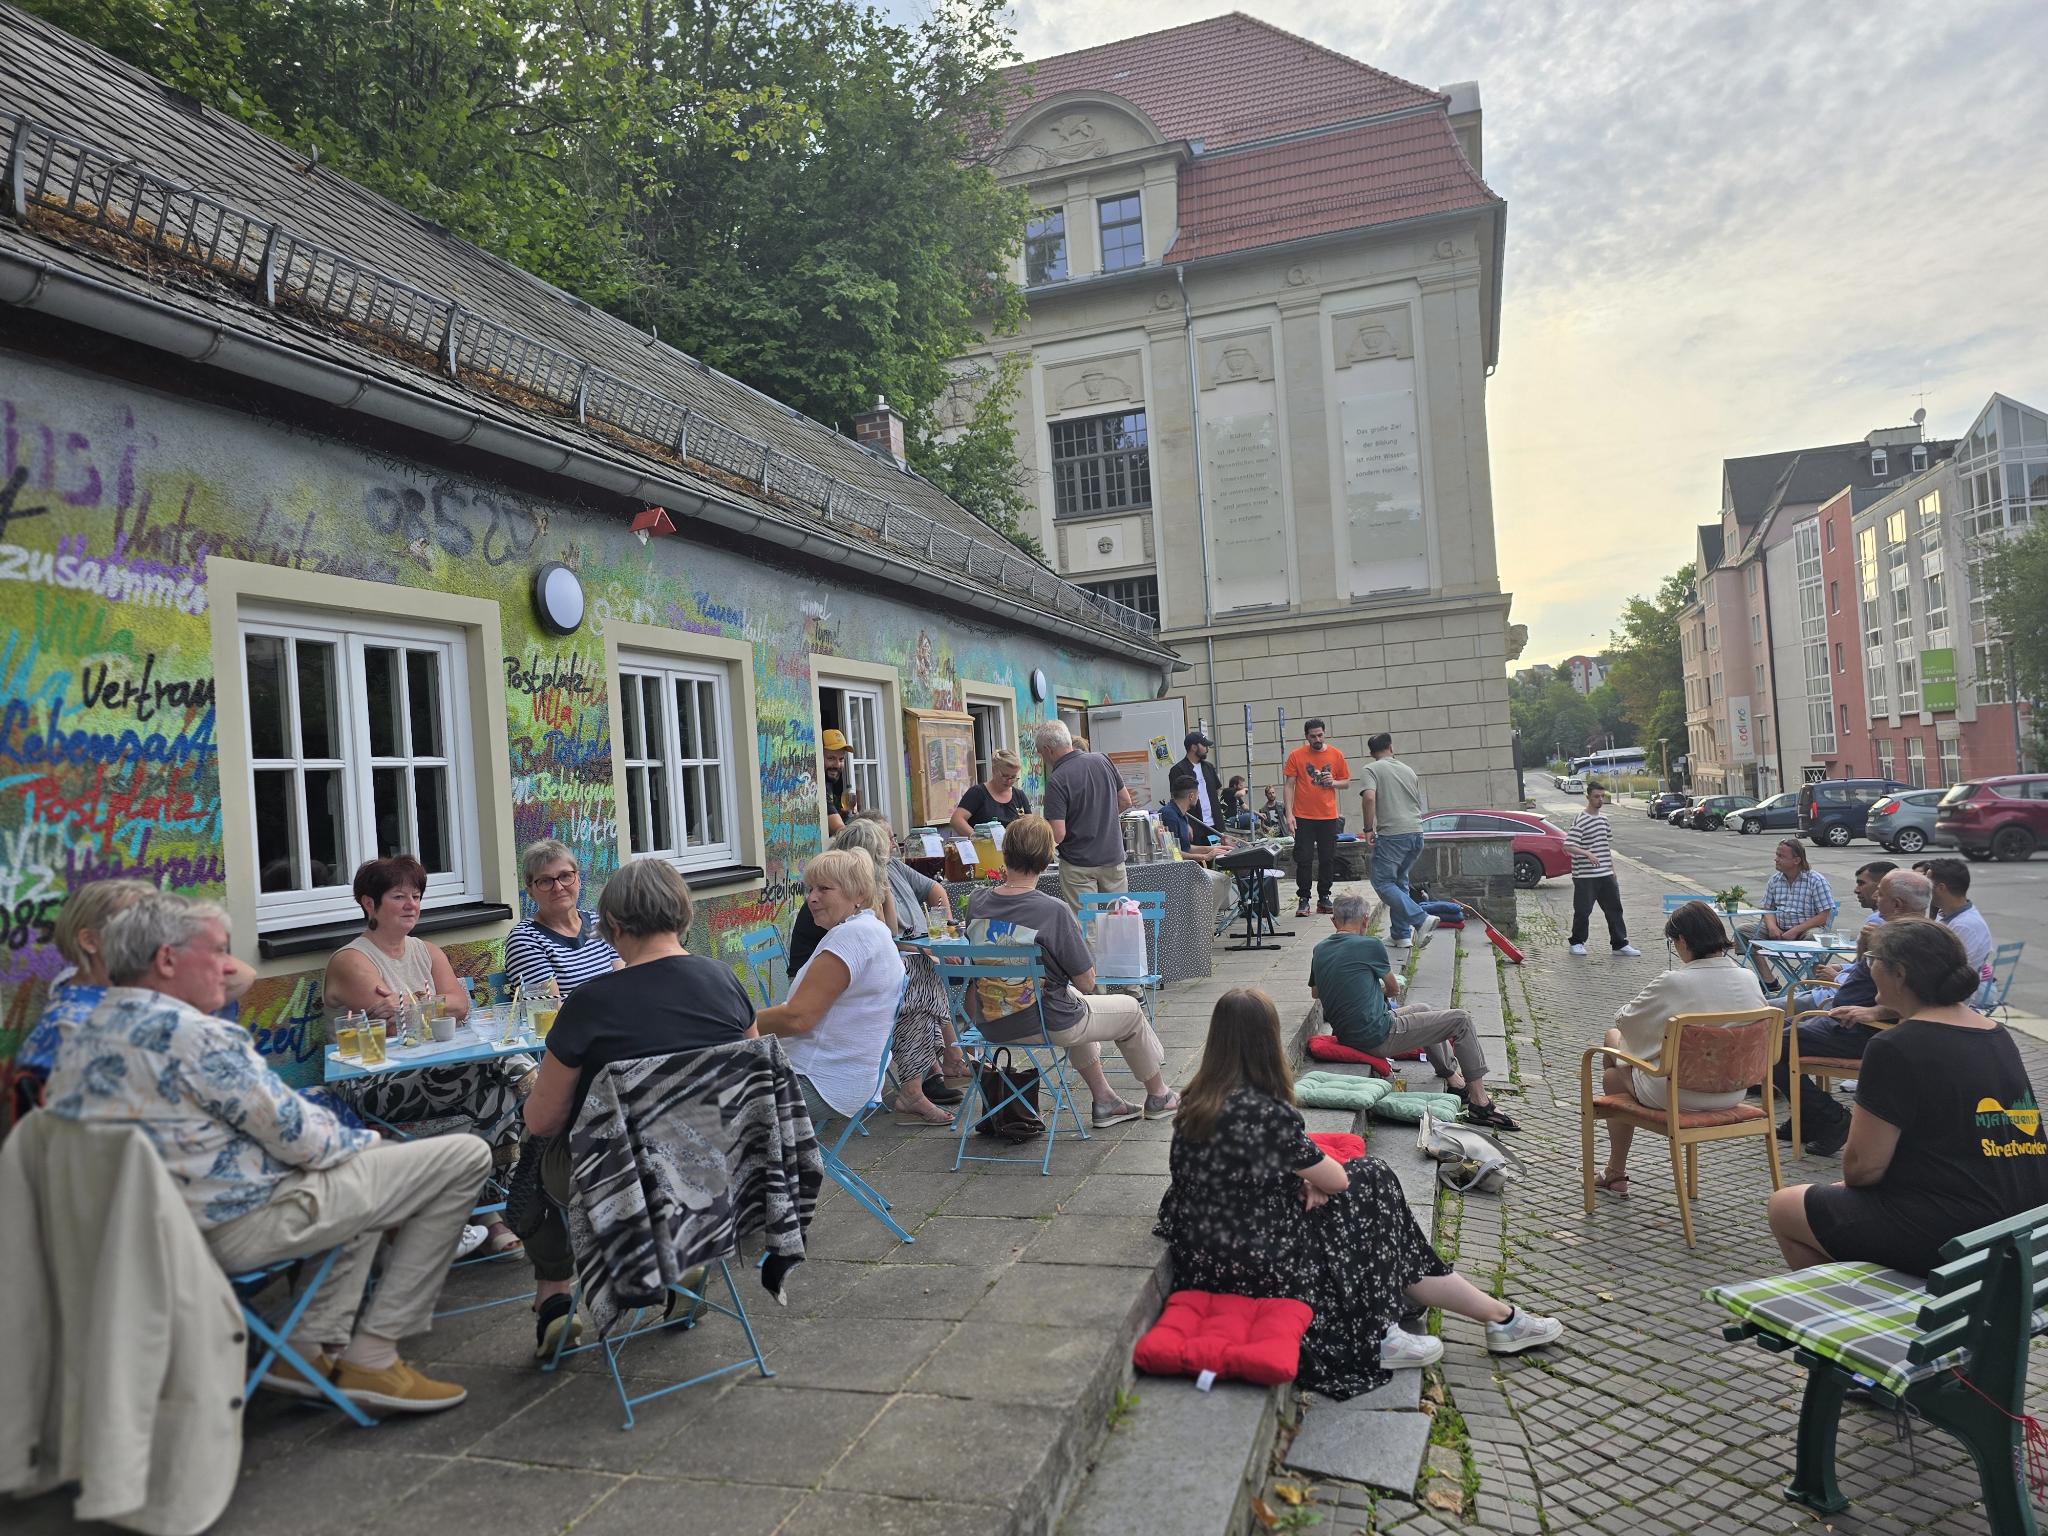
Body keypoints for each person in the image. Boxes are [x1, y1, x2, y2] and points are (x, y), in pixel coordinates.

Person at [46, 891, 490, 1411]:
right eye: (216, 952)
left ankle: (301, 1347)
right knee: (461, 1157)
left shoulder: (81, 1030)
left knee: (366, 1183)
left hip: (148, 1234)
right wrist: (368, 1143)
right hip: (235, 1226)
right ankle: (374, 1354)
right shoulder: (195, 1036)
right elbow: (305, 1137)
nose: (229, 967)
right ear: (167, 960)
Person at [1155, 988, 1562, 1399]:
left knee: (1371, 1194)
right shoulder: (1262, 1112)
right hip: (1256, 1258)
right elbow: (1336, 1179)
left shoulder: (1195, 1101)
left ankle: (1495, 1317)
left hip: (1210, 1248)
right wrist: (1314, 1181)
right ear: (1268, 1041)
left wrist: (1303, 1179)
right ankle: (1409, 1327)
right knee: (1372, 1179)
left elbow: (1245, 1174)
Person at [518, 858, 757, 1356]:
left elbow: (544, 1119)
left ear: (615, 926)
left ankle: (555, 1301)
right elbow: (747, 1083)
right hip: (715, 1168)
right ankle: (681, 1258)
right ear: (681, 914)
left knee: (534, 1153)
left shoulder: (590, 1003)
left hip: (617, 1176)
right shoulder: (725, 980)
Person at [1767, 919, 2048, 1276]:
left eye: (1872, 960)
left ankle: (1860, 1315)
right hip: (2024, 1222)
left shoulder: (1895, 1045)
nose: (1869, 969)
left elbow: (1861, 1169)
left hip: (1956, 1233)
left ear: (1899, 973)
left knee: (1785, 1206)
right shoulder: (1996, 1034)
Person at [322, 856, 529, 1253]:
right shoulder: (352, 960)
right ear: (369, 904)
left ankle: (489, 1213)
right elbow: (403, 1016)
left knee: (497, 1095)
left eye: (416, 896)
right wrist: (433, 1004)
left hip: (438, 1071)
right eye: (398, 896)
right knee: (494, 1071)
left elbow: (460, 1006)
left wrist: (412, 1004)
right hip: (374, 1082)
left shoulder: (426, 951)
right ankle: (528, 1079)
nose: (411, 905)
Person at [963, 814, 1178, 1127]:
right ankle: (1159, 1095)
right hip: (1043, 1020)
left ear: (1004, 854)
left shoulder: (978, 903)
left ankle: (1105, 1099)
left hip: (991, 1022)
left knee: (1070, 999)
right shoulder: (1053, 911)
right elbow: (1087, 981)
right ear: (1047, 857)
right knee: (1129, 1010)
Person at [17, 879, 256, 1107]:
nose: (156, 939)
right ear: (90, 941)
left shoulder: (113, 998)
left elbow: (243, 975)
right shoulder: (82, 1023)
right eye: (135, 928)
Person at [1591, 900, 1771, 1195]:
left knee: (1612, 1046)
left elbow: (1627, 1021)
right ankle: (1615, 1172)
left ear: (1683, 940)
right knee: (1615, 1074)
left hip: (1679, 1094)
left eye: (1673, 942)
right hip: (1733, 1090)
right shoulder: (1749, 978)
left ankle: (1616, 1171)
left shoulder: (1675, 982)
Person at [1309, 893, 1517, 1130]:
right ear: (1366, 920)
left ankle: (1455, 1080)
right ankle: (1481, 1103)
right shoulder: (1370, 945)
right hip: (1378, 1034)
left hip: (1348, 1033)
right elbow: (1393, 988)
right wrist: (1374, 988)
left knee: (1423, 1009)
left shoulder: (1320, 949)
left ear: (1333, 921)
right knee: (1461, 1020)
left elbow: (1317, 993)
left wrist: (1360, 986)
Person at [1772, 868, 1933, 1156]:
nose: (1874, 896)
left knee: (1771, 1044)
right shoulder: (1891, 932)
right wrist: (1862, 948)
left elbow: (1923, 996)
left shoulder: (1914, 941)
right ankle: (1808, 1116)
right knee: (1774, 1031)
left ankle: (1830, 1118)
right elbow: (1863, 974)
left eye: (1880, 893)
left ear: (1897, 904)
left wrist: (1874, 1012)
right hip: (1843, 1018)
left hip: (1860, 1030)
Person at [821, 816, 967, 1121]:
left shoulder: (875, 881)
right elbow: (878, 941)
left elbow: (885, 933)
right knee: (916, 985)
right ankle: (929, 1075)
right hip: (844, 981)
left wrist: (883, 888)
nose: (891, 850)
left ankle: (930, 1074)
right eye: (881, 851)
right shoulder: (846, 893)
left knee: (921, 977)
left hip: (870, 968)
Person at [757, 849, 911, 1128]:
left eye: (824, 889)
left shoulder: (852, 936)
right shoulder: (872, 930)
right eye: (810, 889)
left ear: (859, 895)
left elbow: (798, 1018)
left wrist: (731, 1026)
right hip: (846, 1078)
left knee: (692, 1098)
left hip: (818, 1081)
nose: (812, 898)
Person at [1035, 718, 1134, 911]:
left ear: (1048, 750)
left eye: (1040, 753)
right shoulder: (1102, 760)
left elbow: (1058, 834)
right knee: (1119, 921)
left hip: (1078, 865)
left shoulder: (1057, 780)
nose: (1042, 758)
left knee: (1086, 929)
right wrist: (1102, 817)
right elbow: (1125, 801)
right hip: (1113, 858)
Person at [504, 839, 621, 998]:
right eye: (545, 881)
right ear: (530, 891)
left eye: (565, 876)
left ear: (578, 879)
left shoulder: (600, 924)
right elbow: (549, 1011)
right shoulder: (525, 939)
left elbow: (625, 983)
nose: (558, 888)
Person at [1357, 731, 1436, 951]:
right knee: (1399, 882)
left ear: (1371, 753)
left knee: (1382, 883)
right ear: (1391, 747)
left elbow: (1369, 797)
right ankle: (1401, 936)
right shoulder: (1408, 770)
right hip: (1416, 833)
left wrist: (1367, 829)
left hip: (1393, 834)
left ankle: (1421, 919)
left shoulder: (1371, 769)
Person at [1281, 719, 1350, 919]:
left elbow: (1346, 782)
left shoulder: (1336, 754)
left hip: (1328, 815)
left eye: (1320, 735)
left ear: (1324, 733)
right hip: (1303, 815)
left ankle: (1324, 896)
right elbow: (1289, 785)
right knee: (1304, 858)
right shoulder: (1296, 755)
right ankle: (1303, 898)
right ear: (1306, 737)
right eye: (1313, 736)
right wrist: (1289, 813)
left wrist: (1334, 782)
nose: (1317, 739)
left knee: (1328, 858)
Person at [1564, 782, 1639, 958]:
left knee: (1615, 909)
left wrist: (1612, 870)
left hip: (1606, 874)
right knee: (1583, 910)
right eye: (1596, 796)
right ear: (1588, 797)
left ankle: (1620, 944)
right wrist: (1587, 853)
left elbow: (1605, 847)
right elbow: (1568, 845)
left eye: (1602, 796)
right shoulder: (1581, 819)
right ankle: (1576, 942)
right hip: (1585, 876)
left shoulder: (1604, 820)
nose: (1600, 800)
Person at [1160, 772, 1240, 925]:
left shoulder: (1181, 814)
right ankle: (1202, 925)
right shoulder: (1169, 815)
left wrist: (1218, 848)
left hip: (1185, 866)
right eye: (1197, 794)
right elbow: (1172, 853)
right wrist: (1206, 856)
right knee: (1221, 882)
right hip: (1177, 872)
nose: (1198, 798)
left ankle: (1204, 924)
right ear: (1191, 795)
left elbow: (1187, 848)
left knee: (1223, 881)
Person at [1738, 839, 1836, 965]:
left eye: (1781, 856)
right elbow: (1768, 909)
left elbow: (1825, 915)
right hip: (1779, 928)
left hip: (1806, 930)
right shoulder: (1774, 880)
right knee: (1742, 931)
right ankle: (1769, 981)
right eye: (1776, 855)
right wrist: (1772, 927)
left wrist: (1796, 930)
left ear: (1796, 860)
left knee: (1815, 938)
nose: (1776, 859)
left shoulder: (1816, 881)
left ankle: (1813, 981)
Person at [1924, 857, 1995, 977]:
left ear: (1941, 888)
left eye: (1927, 884)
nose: (1924, 889)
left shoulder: (1964, 925)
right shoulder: (1947, 915)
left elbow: (1951, 971)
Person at [950, 746, 1032, 834]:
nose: (1009, 781)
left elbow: (1030, 825)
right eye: (1004, 775)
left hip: (1012, 846)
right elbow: (957, 820)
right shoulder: (978, 793)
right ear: (994, 770)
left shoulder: (1019, 795)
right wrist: (976, 839)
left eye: (1013, 777)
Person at [1171, 729, 1223, 830]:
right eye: (1204, 746)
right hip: (1194, 826)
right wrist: (1185, 823)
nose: (1207, 749)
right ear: (1194, 747)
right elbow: (1176, 799)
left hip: (1215, 825)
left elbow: (1217, 790)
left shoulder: (1208, 767)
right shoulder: (1178, 770)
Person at [820, 727, 858, 834]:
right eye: (831, 758)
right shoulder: (819, 786)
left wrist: (843, 815)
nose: (837, 765)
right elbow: (840, 830)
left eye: (841, 759)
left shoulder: (829, 781)